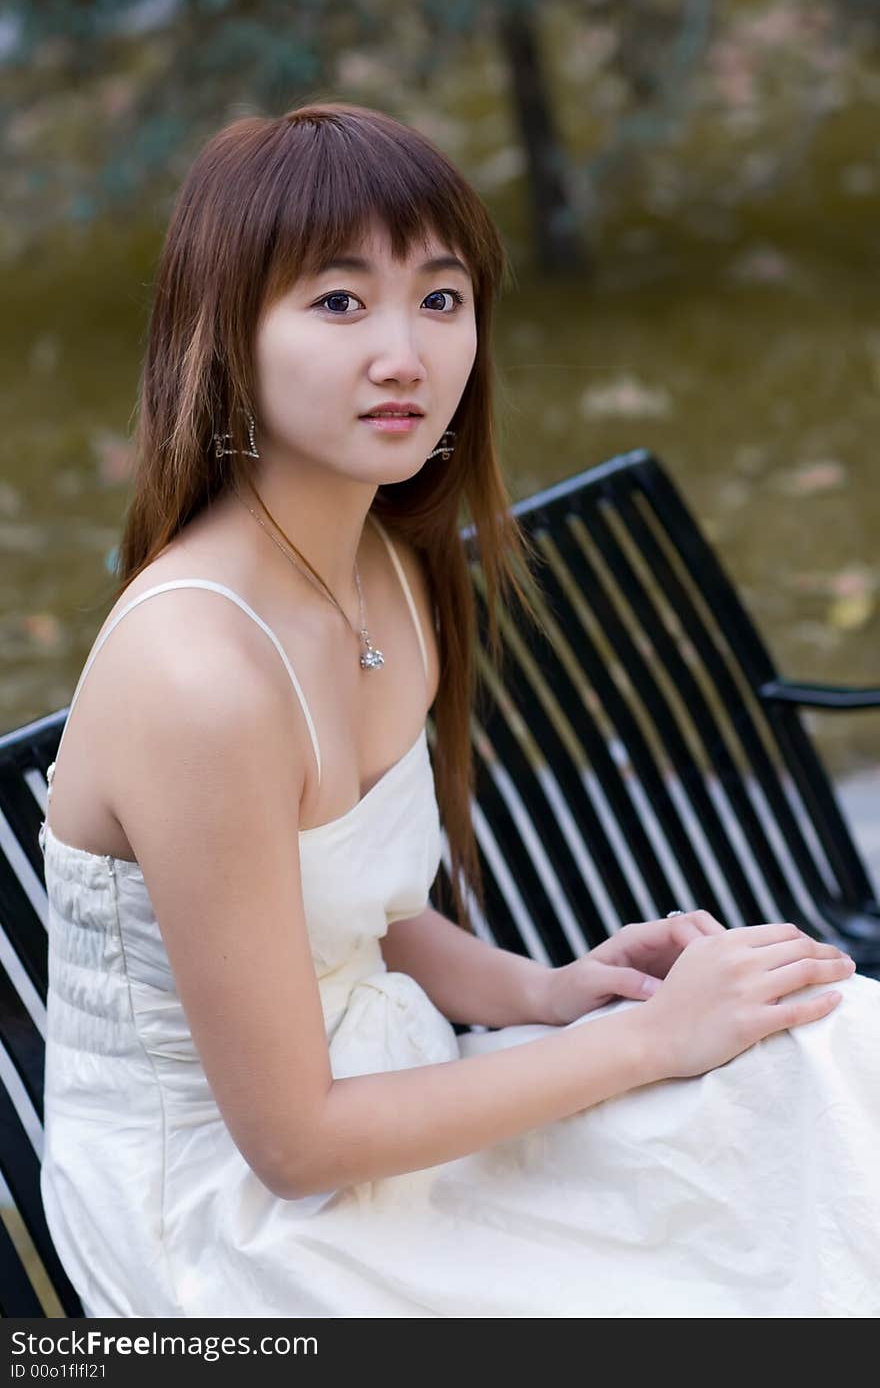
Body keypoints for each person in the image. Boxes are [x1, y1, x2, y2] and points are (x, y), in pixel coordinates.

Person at [39, 100, 879, 1319]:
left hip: (398, 1092)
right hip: (243, 1220)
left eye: (439, 298)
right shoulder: (199, 679)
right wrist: (643, 1044)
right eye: (338, 302)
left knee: (827, 1045)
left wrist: (551, 993)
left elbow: (362, 915)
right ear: (225, 337)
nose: (406, 354)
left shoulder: (383, 563)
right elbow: (294, 1144)